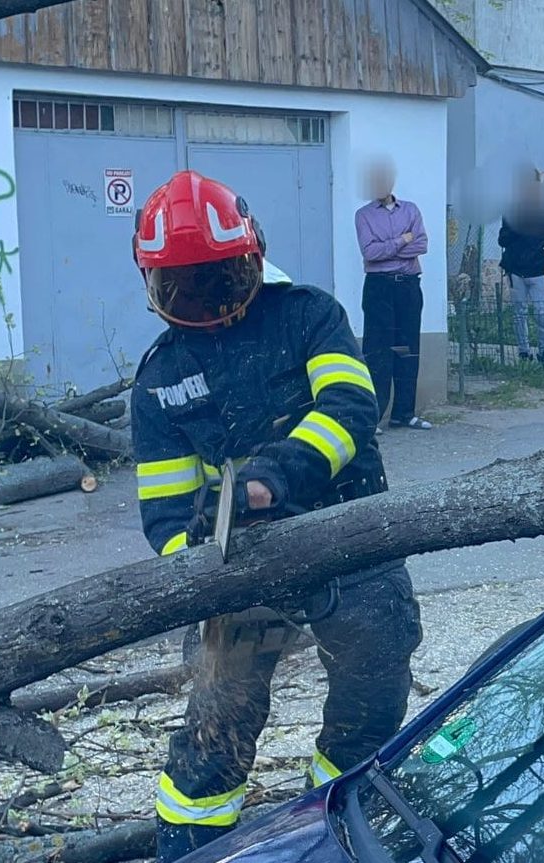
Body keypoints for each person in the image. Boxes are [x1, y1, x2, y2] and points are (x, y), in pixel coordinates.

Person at [129, 171, 422, 863]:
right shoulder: (161, 378)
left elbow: (351, 409)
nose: (204, 299)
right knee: (218, 715)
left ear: (250, 258)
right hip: (242, 566)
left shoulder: (308, 315)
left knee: (372, 684)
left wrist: (271, 478)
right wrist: (199, 562)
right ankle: (193, 842)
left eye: (217, 279)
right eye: (184, 286)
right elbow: (164, 513)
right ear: (156, 284)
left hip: (349, 531)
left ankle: (339, 817)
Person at [354, 158, 432, 429]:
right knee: (377, 351)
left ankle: (404, 414)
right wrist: (402, 240)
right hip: (379, 288)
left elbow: (421, 243)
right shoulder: (363, 215)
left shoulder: (410, 210)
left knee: (407, 349)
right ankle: (373, 417)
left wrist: (389, 247)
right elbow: (370, 253)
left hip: (409, 286)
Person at [498, 170, 544, 364]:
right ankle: (523, 352)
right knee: (519, 313)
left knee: (541, 312)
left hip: (537, 269)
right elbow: (502, 239)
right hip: (516, 270)